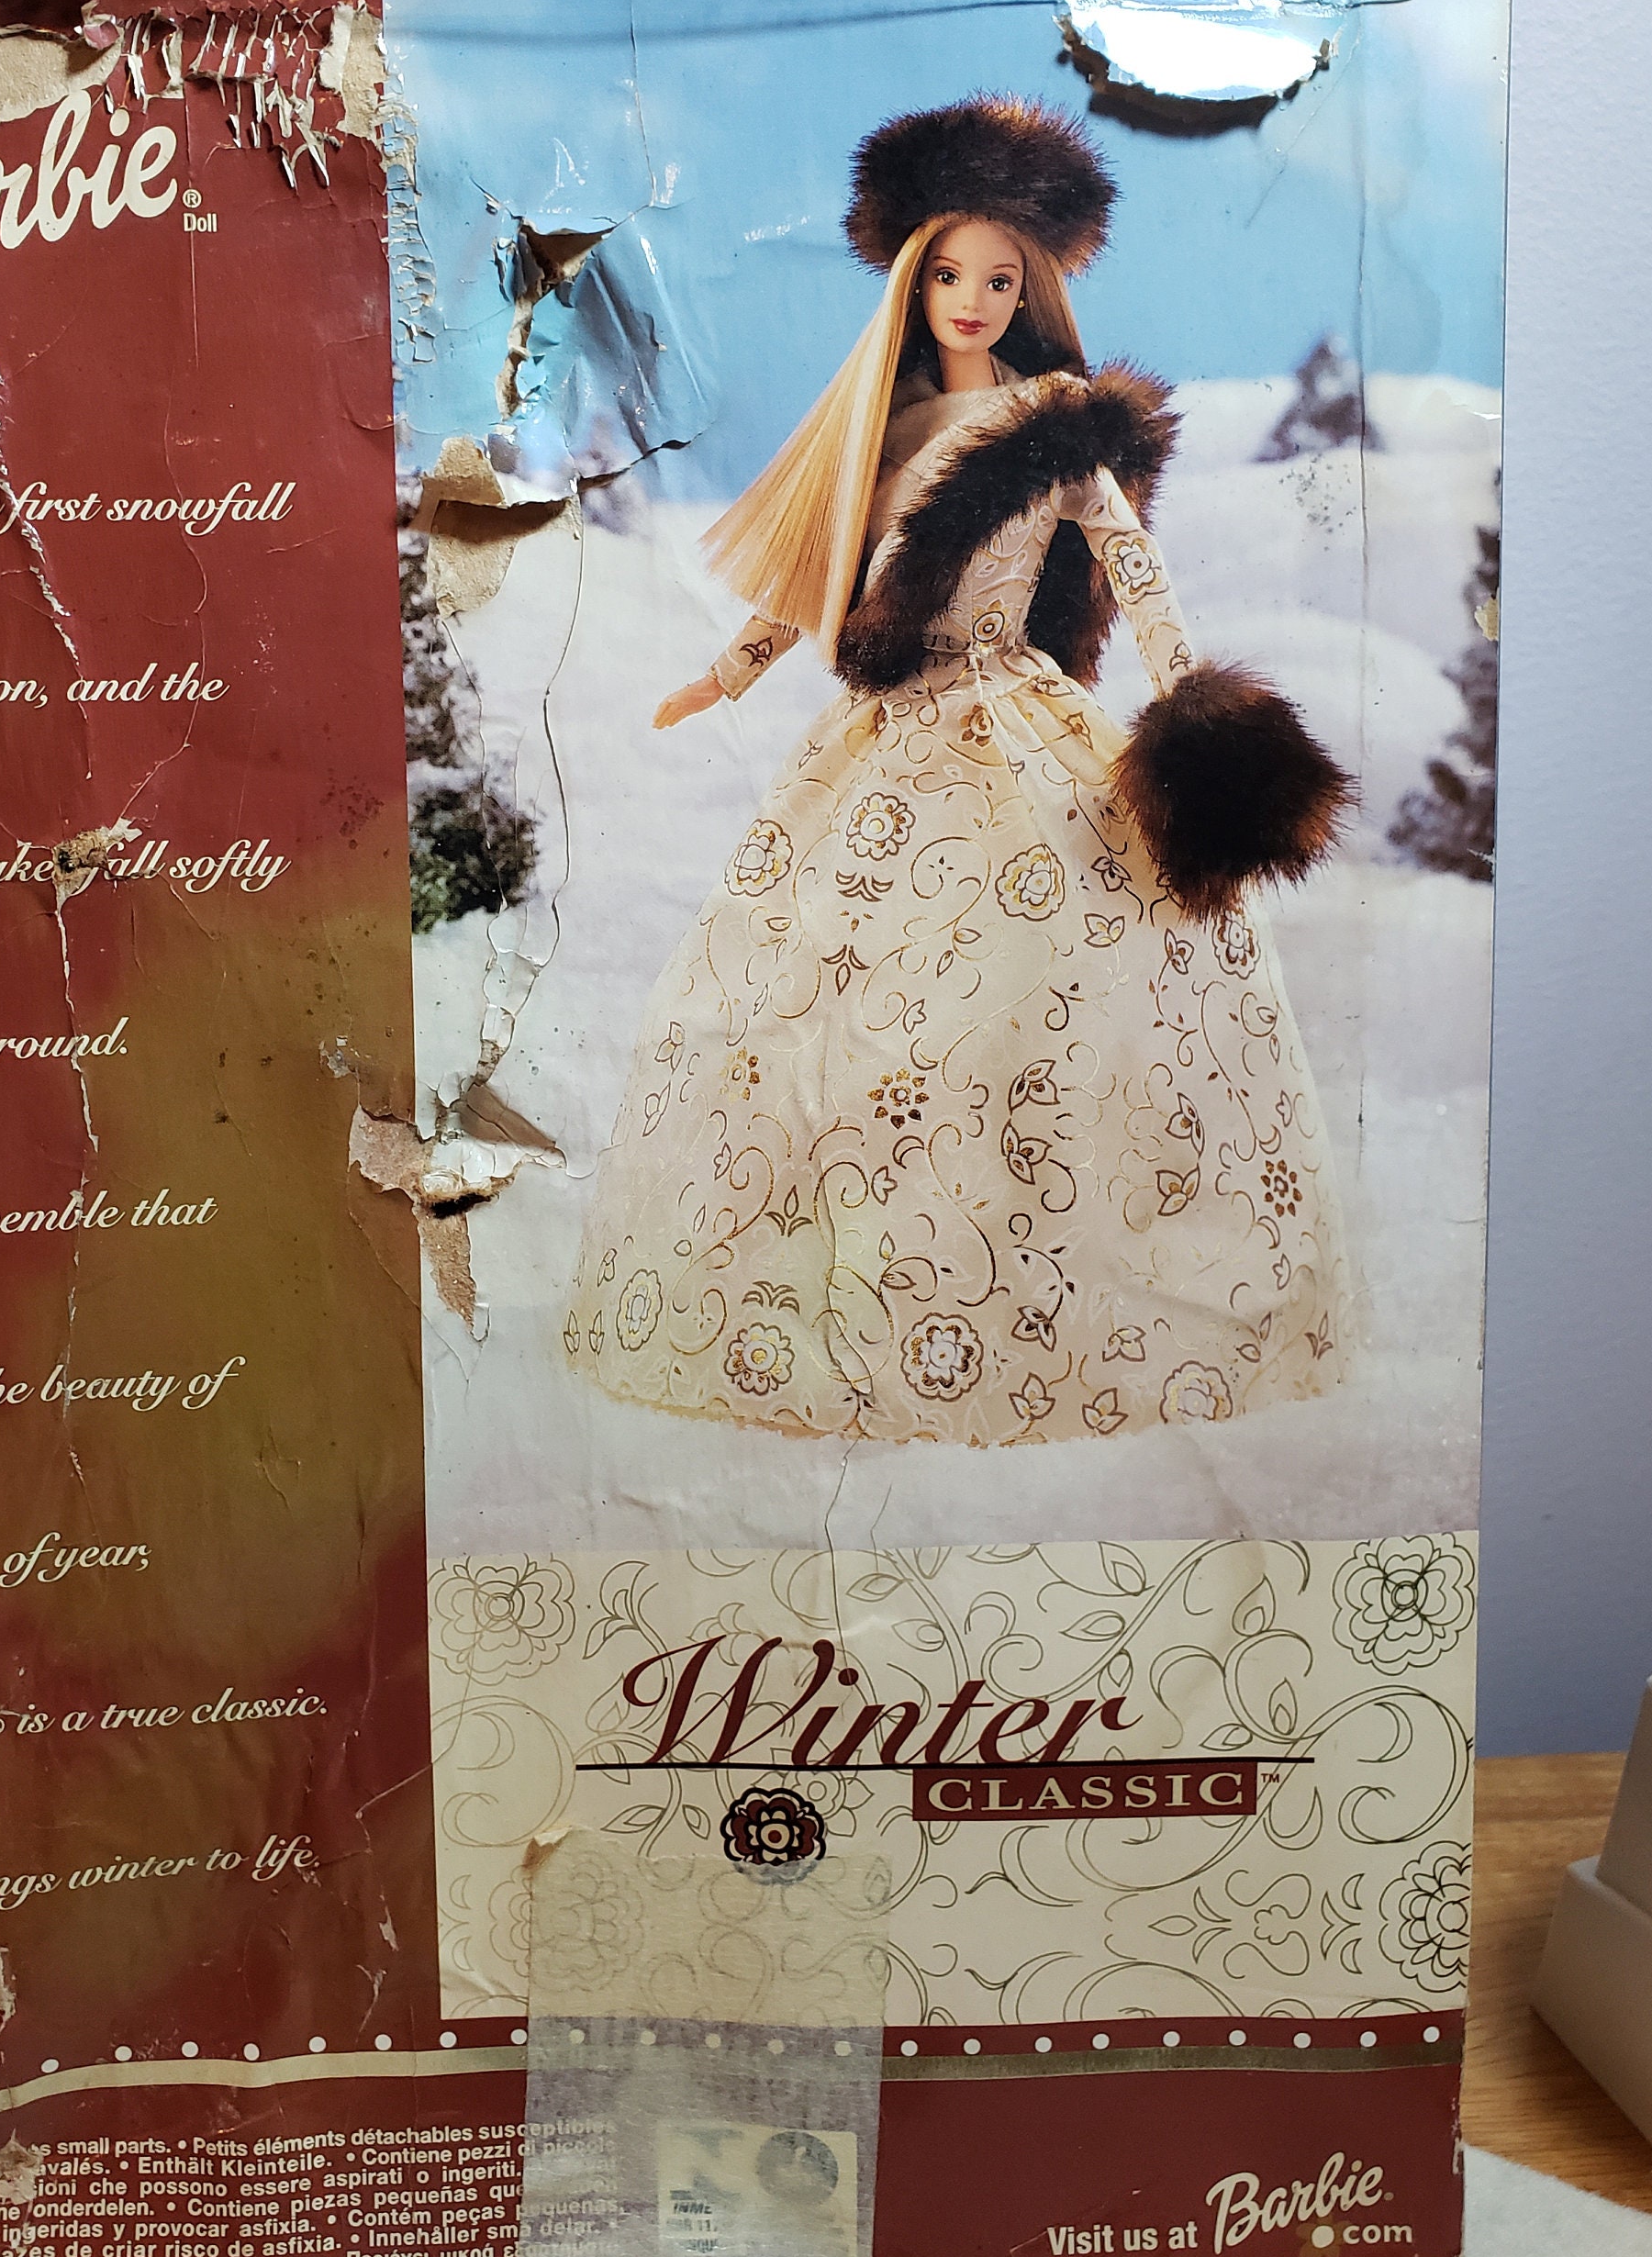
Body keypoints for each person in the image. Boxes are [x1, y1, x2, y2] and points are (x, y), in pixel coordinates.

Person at [562, 96, 1350, 1448]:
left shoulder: (1055, 424)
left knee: (1025, 1002)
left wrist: (1190, 699)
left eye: (998, 279)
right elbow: (823, 583)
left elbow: (1133, 568)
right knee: (837, 1007)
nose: (973, 300)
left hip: (1015, 727)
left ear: (1029, 290)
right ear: (912, 282)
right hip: (882, 740)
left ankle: (1039, 1292)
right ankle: (877, 1281)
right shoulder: (889, 428)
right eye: (948, 275)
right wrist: (728, 675)